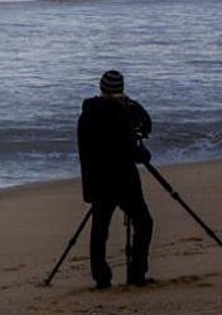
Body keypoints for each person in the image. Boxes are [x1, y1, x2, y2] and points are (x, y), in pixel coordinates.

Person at [76, 69, 154, 288]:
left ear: (101, 89)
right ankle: (137, 274)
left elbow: (85, 150)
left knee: (100, 228)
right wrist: (143, 153)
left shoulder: (88, 114)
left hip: (97, 180)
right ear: (121, 89)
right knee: (144, 222)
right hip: (123, 180)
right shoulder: (122, 114)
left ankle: (101, 278)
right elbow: (133, 147)